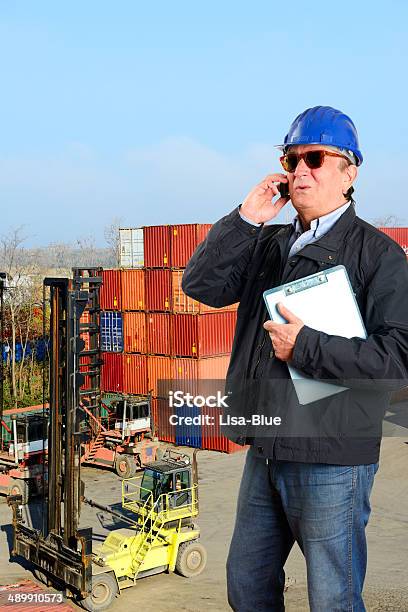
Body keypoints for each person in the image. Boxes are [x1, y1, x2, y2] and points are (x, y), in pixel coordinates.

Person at [181, 106, 408, 611]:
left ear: (349, 173)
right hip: (266, 448)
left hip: (332, 458)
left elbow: (399, 358)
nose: (299, 170)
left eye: (315, 158)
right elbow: (201, 286)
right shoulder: (268, 245)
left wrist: (306, 346)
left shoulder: (379, 256)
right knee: (248, 586)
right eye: (291, 159)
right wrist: (245, 220)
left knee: (332, 598)